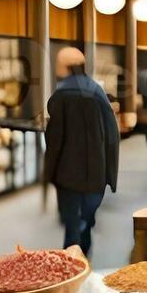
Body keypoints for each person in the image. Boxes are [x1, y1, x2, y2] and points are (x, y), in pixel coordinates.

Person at [43, 47, 119, 257]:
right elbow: (112, 135)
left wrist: (49, 171)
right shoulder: (97, 91)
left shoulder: (61, 94)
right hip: (96, 170)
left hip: (68, 172)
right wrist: (110, 174)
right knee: (86, 216)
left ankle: (72, 262)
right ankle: (83, 247)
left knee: (71, 222)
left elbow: (54, 139)